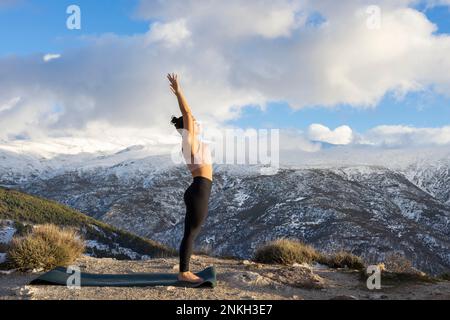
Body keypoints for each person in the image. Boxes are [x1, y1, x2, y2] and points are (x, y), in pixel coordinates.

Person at [167, 73, 213, 283]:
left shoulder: (192, 141)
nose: (194, 121)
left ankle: (184, 270)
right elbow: (187, 111)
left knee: (191, 232)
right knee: (190, 234)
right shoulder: (190, 140)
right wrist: (179, 91)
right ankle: (184, 272)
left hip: (199, 189)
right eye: (192, 122)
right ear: (187, 128)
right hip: (199, 190)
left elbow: (188, 116)